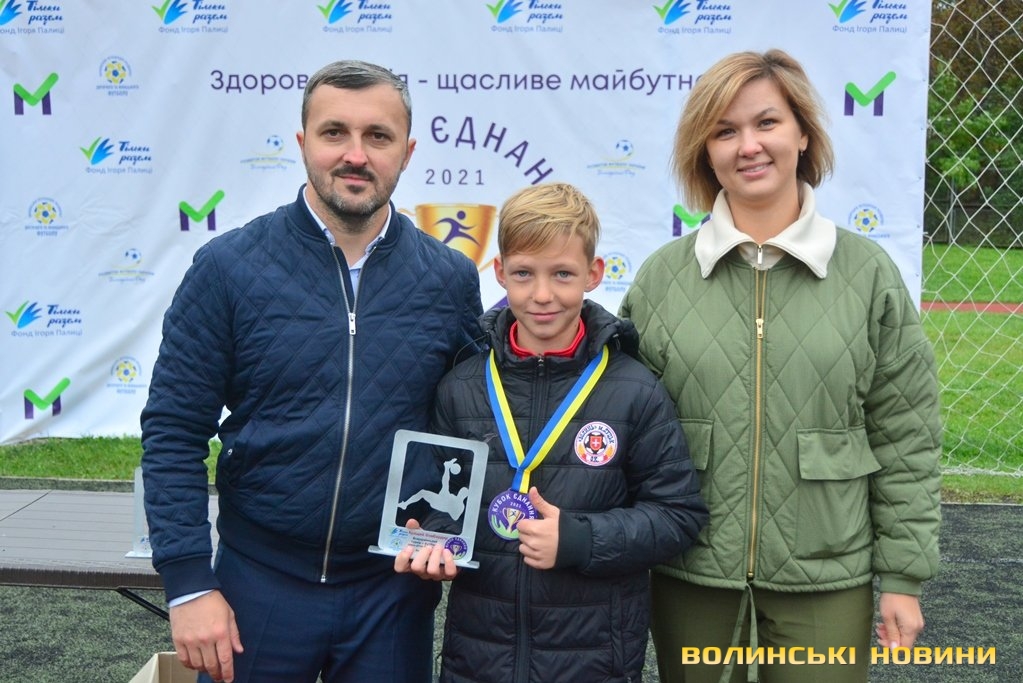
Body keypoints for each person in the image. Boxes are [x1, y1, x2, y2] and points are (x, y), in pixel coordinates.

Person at [140, 59, 484, 683]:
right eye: (334, 133)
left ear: (407, 152)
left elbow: (464, 427)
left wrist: (442, 527)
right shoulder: (228, 268)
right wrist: (189, 583)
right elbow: (173, 430)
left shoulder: (449, 278)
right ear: (303, 143)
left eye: (377, 136)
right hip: (257, 581)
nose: (355, 155)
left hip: (391, 592)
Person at [619, 49, 942, 682]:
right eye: (725, 131)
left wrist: (904, 577)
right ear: (705, 152)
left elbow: (906, 434)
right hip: (690, 569)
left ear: (802, 134)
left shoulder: (868, 275)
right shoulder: (661, 279)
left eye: (766, 122)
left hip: (826, 574)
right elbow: (626, 428)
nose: (749, 146)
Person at [394, 182, 709, 683]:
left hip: (592, 659)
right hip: (479, 656)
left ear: (593, 274)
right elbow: (442, 495)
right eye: (524, 274)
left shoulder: (634, 389)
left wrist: (581, 540)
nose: (542, 295)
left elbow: (678, 515)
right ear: (500, 273)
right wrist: (434, 539)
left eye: (562, 274)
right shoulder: (462, 386)